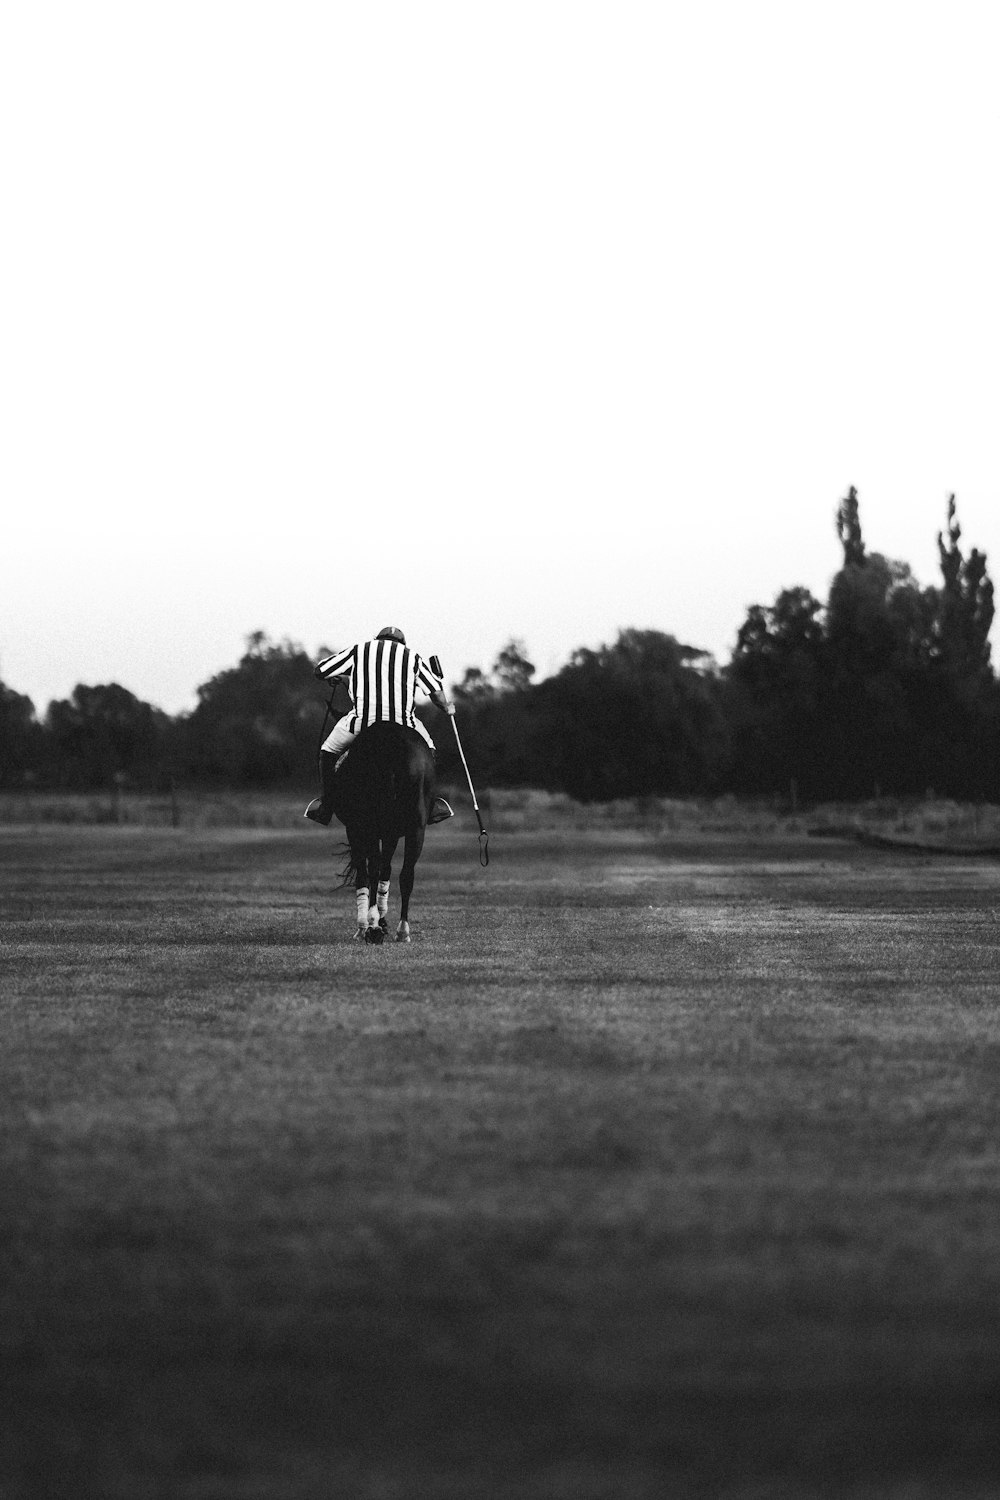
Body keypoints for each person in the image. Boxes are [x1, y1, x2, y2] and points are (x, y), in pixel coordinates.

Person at [303, 625, 455, 827]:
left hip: (363, 722)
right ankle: (430, 804)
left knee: (328, 750)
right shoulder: (413, 657)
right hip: (404, 723)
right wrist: (447, 707)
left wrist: (339, 676)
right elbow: (436, 693)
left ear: (377, 639)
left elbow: (320, 670)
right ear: (402, 644)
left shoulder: (359, 650)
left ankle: (326, 806)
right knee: (429, 750)